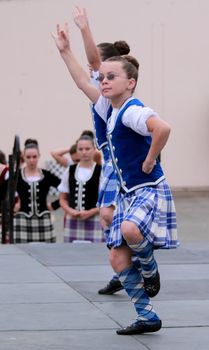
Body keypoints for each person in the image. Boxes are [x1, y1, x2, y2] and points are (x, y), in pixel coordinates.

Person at [52, 23, 178, 335]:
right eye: (103, 78)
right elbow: (84, 80)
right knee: (117, 259)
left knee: (128, 227)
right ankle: (147, 315)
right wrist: (65, 51)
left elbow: (162, 128)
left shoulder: (134, 109)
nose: (103, 81)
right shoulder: (109, 108)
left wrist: (150, 160)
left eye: (111, 77)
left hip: (146, 189)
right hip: (126, 192)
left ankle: (149, 268)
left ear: (131, 83)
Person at [73, 6, 130, 294]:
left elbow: (94, 64)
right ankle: (122, 268)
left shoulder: (110, 88)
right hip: (108, 158)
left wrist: (84, 28)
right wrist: (64, 51)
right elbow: (82, 77)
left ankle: (135, 264)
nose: (93, 71)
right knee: (107, 216)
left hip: (121, 161)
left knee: (117, 217)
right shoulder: (101, 92)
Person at [13, 139, 61, 243]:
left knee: (47, 251)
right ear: (23, 157)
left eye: (34, 157)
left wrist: (55, 205)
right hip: (21, 220)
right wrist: (14, 205)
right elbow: (4, 192)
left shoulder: (47, 175)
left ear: (39, 156)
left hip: (43, 220)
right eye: (28, 157)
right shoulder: (16, 176)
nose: (31, 160)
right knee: (21, 252)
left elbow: (66, 189)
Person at [58, 135, 104, 243]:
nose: (84, 152)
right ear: (77, 151)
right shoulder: (70, 170)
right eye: (81, 149)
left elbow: (105, 200)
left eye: (87, 149)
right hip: (72, 219)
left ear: (94, 150)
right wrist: (70, 211)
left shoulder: (100, 171)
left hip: (95, 219)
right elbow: (62, 198)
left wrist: (91, 211)